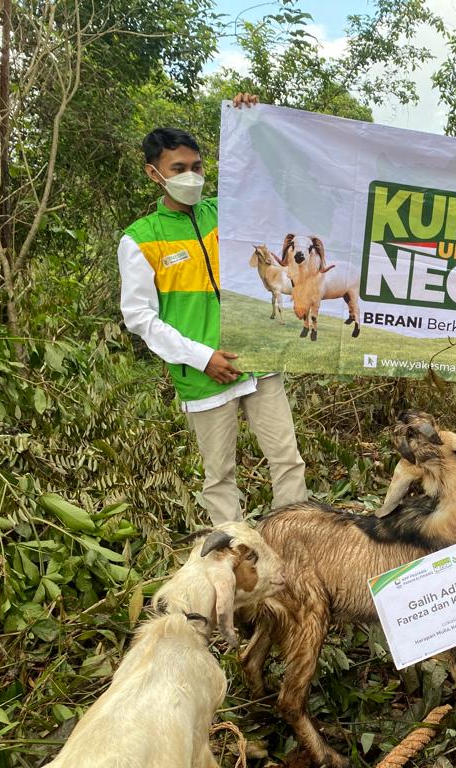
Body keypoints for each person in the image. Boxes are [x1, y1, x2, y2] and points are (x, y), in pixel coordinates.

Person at [118, 93, 308, 526]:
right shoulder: (140, 239)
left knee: (288, 460)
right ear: (154, 174)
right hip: (203, 375)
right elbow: (141, 318)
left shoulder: (227, 213)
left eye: (197, 167)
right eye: (178, 169)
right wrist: (203, 357)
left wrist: (252, 122)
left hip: (256, 363)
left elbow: (266, 183)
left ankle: (294, 546)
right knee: (220, 478)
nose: (191, 176)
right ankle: (235, 569)